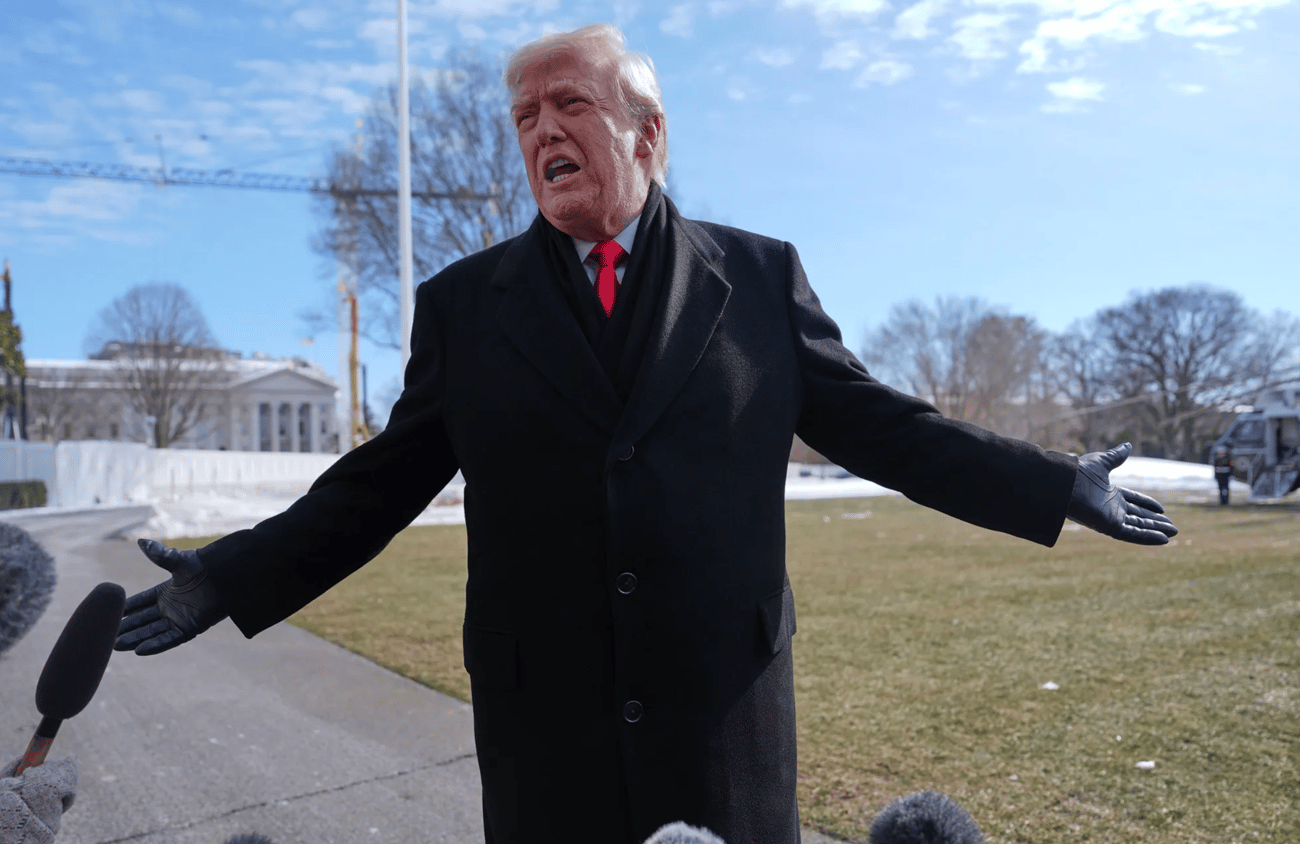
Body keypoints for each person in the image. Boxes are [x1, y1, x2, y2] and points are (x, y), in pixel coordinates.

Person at [115, 23, 1178, 844]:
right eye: (524, 117)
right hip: (544, 726)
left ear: (648, 133)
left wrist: (1050, 484)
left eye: (568, 104)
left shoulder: (759, 278)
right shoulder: (464, 307)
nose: (541, 131)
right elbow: (377, 484)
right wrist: (231, 577)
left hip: (722, 716)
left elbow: (884, 428)